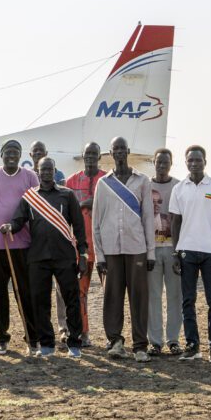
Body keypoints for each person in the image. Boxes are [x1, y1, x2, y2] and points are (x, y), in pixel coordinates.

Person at [0, 157, 87, 358]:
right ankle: (47, 344)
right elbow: (18, 221)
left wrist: (82, 254)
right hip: (38, 257)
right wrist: (10, 227)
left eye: (50, 169)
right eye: (43, 170)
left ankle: (75, 343)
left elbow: (79, 226)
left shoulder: (67, 195)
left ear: (54, 171)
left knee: (72, 299)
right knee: (40, 301)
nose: (46, 172)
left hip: (64, 256)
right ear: (38, 172)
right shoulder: (30, 197)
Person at [92, 137, 156, 362]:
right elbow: (96, 222)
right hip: (110, 250)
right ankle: (115, 342)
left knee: (139, 298)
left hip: (136, 247)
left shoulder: (142, 181)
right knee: (112, 297)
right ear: (111, 153)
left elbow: (148, 218)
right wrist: (99, 255)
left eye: (122, 148)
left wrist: (150, 252)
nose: (119, 152)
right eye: (115, 149)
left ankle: (140, 346)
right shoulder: (103, 183)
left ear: (127, 151)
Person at [0, 140, 40, 355]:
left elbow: (36, 211)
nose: (11, 156)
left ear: (21, 155)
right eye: (8, 152)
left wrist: (37, 241)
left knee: (24, 291)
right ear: (1, 154)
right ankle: (2, 338)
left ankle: (32, 338)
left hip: (23, 244)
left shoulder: (30, 176)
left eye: (15, 152)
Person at [169, 145, 211, 362]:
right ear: (186, 162)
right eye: (190, 160)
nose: (194, 163)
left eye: (198, 160)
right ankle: (193, 346)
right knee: (188, 300)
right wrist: (176, 253)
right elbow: (175, 222)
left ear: (205, 162)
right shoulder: (179, 189)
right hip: (187, 251)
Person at [63, 142, 106, 348]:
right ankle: (83, 332)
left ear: (99, 156)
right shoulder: (71, 181)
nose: (90, 157)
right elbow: (66, 213)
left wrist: (94, 203)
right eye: (87, 153)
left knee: (111, 292)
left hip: (105, 245)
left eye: (94, 154)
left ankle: (112, 336)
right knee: (80, 292)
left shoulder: (108, 179)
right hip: (81, 246)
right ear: (82, 155)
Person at [148, 148, 183, 356]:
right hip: (151, 250)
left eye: (166, 162)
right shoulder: (145, 185)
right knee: (153, 296)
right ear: (153, 162)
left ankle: (173, 339)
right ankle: (155, 341)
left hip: (173, 249)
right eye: (159, 162)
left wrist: (180, 250)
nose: (162, 166)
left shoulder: (179, 186)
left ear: (171, 164)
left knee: (175, 296)